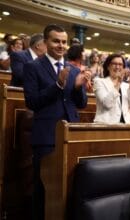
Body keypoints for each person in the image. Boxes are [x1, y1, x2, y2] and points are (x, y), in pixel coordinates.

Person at [23, 24, 90, 220]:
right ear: (45, 42)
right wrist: (58, 85)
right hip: (46, 137)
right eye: (56, 41)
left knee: (69, 188)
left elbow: (82, 104)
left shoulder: (72, 68)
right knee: (43, 189)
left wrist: (78, 88)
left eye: (64, 42)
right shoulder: (33, 67)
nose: (61, 45)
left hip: (71, 136)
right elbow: (32, 102)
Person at [93, 54, 130, 124]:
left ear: (123, 68)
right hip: (106, 125)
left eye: (120, 64)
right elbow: (107, 104)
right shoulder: (99, 82)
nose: (117, 67)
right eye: (114, 64)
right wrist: (118, 83)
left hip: (127, 125)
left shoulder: (127, 86)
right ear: (108, 67)